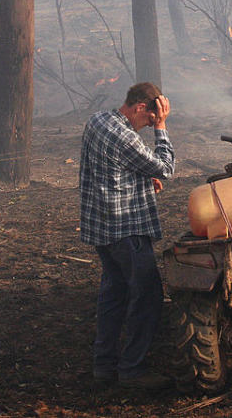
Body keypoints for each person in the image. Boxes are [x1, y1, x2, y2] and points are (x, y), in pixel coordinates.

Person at [79, 82, 175, 389]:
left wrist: (142, 180)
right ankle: (133, 370)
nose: (148, 125)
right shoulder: (125, 137)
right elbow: (165, 167)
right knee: (147, 296)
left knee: (114, 294)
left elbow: (108, 168)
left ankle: (104, 365)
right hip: (126, 228)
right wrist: (161, 128)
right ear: (138, 108)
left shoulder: (98, 120)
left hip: (101, 228)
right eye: (148, 119)